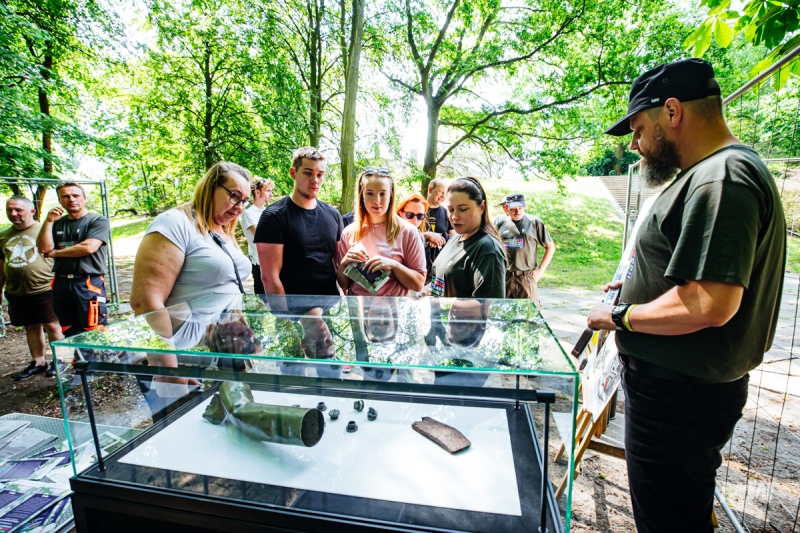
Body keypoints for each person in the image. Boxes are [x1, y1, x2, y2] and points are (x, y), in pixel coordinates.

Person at [587, 59, 786, 533]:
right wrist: (643, 282)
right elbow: (692, 274)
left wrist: (620, 315)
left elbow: (708, 303)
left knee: (669, 521)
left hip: (677, 398)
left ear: (672, 112)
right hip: (676, 390)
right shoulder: (711, 173)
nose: (634, 144)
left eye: (638, 129)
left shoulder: (722, 177)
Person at [130, 162, 253, 410]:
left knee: (231, 426)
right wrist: (170, 372)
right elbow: (145, 302)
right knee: (182, 428)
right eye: (234, 196)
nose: (240, 207)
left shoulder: (221, 229)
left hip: (220, 353)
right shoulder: (174, 223)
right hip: (183, 360)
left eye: (245, 201)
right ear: (210, 187)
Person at [37, 182, 111, 373]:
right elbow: (44, 248)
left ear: (84, 198)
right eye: (66, 196)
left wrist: (56, 253)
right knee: (69, 326)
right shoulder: (57, 223)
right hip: (62, 281)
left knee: (94, 325)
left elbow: (88, 247)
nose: (71, 199)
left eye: (75, 195)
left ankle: (109, 360)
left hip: (88, 281)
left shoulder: (97, 221)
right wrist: (48, 221)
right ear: (60, 200)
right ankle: (82, 367)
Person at [255, 147, 343, 296]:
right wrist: (285, 311)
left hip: (330, 305)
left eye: (320, 175)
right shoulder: (273, 216)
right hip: (293, 308)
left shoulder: (333, 215)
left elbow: (338, 265)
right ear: (293, 173)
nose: (315, 180)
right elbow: (269, 278)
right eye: (308, 173)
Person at [0, 197, 63, 379]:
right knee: (30, 326)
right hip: (17, 290)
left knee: (52, 325)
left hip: (45, 287)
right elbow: (2, 264)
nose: (13, 214)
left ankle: (61, 360)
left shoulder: (46, 229)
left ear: (32, 211)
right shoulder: (3, 235)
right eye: (9, 210)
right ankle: (38, 362)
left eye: (18, 210)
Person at [336, 168, 425, 296]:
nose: (377, 200)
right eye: (370, 193)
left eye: (383, 194)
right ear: (362, 195)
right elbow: (343, 285)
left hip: (393, 307)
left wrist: (394, 265)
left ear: (391, 196)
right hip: (358, 307)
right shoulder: (349, 233)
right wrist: (345, 263)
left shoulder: (408, 232)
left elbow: (419, 284)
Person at [429, 177, 506, 298]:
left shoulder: (487, 248)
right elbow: (442, 281)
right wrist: (428, 290)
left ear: (482, 207)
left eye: (463, 209)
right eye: (451, 209)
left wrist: (442, 302)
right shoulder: (454, 238)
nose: (454, 216)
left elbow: (488, 303)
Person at [493, 193, 555, 304]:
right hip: (504, 278)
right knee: (501, 311)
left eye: (520, 208)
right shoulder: (500, 224)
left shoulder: (534, 222)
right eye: (513, 208)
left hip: (525, 278)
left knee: (529, 312)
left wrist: (540, 270)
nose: (517, 211)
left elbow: (550, 247)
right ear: (507, 208)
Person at [238, 176, 274, 295]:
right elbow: (263, 235)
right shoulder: (248, 213)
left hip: (273, 261)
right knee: (263, 297)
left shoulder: (269, 211)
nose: (271, 194)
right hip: (259, 262)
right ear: (257, 192)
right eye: (268, 191)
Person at [424, 178, 453, 280]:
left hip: (439, 267)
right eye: (441, 192)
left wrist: (439, 239)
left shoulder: (447, 213)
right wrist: (427, 235)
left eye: (445, 194)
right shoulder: (417, 210)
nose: (443, 196)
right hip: (419, 264)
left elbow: (455, 238)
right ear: (430, 190)